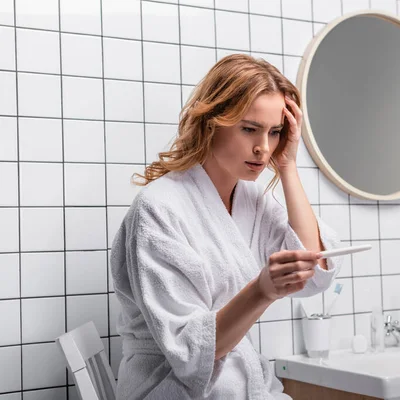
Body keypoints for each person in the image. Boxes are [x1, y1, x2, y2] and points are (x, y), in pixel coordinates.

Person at [110, 54, 344, 399]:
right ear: (211, 122)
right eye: (249, 128)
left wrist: (289, 168)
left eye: (274, 132)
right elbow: (190, 354)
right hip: (169, 388)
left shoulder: (249, 197)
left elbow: (312, 270)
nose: (263, 149)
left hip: (239, 384)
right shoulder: (158, 209)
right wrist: (262, 290)